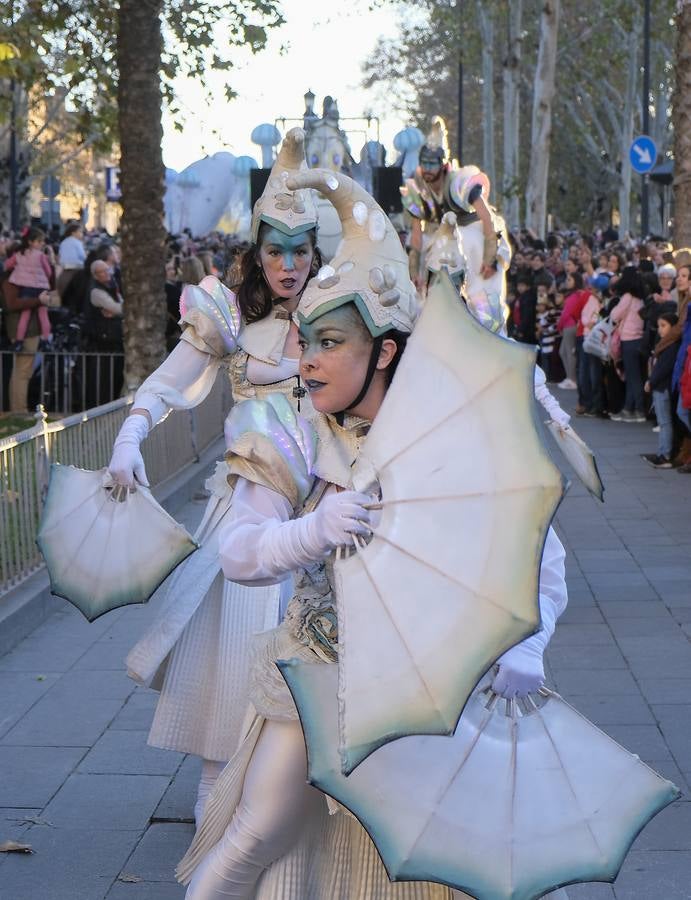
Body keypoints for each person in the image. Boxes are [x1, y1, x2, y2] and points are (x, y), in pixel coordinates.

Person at [178, 169, 567, 900]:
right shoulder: (289, 426)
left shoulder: (447, 435)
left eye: (327, 342)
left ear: (383, 351)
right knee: (258, 830)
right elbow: (237, 552)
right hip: (317, 667)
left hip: (428, 675)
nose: (307, 361)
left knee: (458, 850)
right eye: (304, 341)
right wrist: (311, 531)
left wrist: (528, 641)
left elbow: (540, 549)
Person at [107, 128, 322, 825]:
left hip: (324, 521)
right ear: (256, 255)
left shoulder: (341, 323)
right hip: (247, 521)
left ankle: (303, 822)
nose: (288, 264)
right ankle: (212, 823)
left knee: (321, 680)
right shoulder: (229, 319)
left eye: (300, 250)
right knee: (235, 667)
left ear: (317, 253)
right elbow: (167, 384)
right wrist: (129, 438)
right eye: (275, 250)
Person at [642, 312, 682, 468]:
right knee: (664, 421)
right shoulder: (667, 342)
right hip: (660, 386)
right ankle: (664, 453)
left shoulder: (671, 345)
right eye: (659, 326)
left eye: (664, 326)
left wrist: (651, 382)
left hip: (662, 387)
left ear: (673, 327)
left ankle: (665, 455)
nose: (660, 329)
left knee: (664, 422)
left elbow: (663, 368)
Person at [4, 227, 54, 352]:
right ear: (31, 242)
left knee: (24, 316)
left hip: (26, 289)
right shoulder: (41, 256)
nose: (42, 243)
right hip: (41, 289)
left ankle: (19, 342)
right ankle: (46, 340)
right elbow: (48, 272)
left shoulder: (19, 254)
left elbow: (7, 265)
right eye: (39, 241)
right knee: (43, 315)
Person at [609, 267, 647, 423]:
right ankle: (628, 409)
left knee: (633, 377)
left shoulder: (627, 296)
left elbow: (614, 314)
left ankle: (638, 410)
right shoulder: (640, 298)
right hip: (638, 339)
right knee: (634, 376)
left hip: (628, 340)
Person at [57, 222, 86, 297]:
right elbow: (82, 256)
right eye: (80, 232)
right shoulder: (77, 242)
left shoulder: (64, 242)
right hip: (77, 268)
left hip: (65, 268)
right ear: (73, 233)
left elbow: (60, 255)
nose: (82, 234)